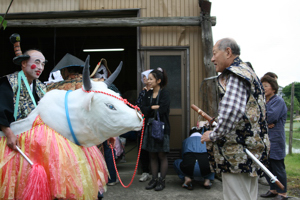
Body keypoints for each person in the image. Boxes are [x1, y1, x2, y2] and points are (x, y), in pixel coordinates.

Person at [201, 38, 270, 200]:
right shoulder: (248, 72)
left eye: (214, 54)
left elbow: (232, 110)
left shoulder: (236, 73)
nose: (212, 59)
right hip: (250, 151)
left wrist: (213, 134)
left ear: (228, 52)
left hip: (238, 153)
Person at [0, 49, 47, 151]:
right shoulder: (9, 82)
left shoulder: (41, 87)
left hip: (34, 140)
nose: (40, 67)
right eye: (37, 62)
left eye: (43, 64)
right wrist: (9, 134)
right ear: (24, 63)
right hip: (10, 138)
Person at [141, 68, 170, 191]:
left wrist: (151, 108)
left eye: (151, 79)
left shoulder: (164, 93)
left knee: (161, 155)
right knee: (152, 155)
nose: (148, 81)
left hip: (161, 129)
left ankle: (161, 180)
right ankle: (153, 179)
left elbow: (163, 110)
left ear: (158, 80)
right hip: (149, 128)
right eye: (148, 79)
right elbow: (143, 109)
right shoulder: (147, 93)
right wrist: (154, 107)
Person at [260, 75, 288, 200]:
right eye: (262, 86)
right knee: (266, 165)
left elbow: (270, 117)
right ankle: (273, 189)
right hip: (265, 139)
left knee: (277, 165)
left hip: (275, 139)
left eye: (266, 86)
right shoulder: (263, 101)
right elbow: (259, 117)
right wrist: (264, 122)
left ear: (274, 88)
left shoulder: (278, 101)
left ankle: (283, 192)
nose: (263, 88)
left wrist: (264, 120)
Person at [136, 69, 153, 182]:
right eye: (143, 77)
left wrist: (145, 109)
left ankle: (157, 173)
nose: (144, 79)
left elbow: (151, 109)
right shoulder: (142, 92)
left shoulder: (155, 91)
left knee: (154, 147)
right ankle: (145, 171)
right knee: (142, 148)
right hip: (142, 123)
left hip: (152, 123)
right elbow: (137, 106)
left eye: (145, 77)